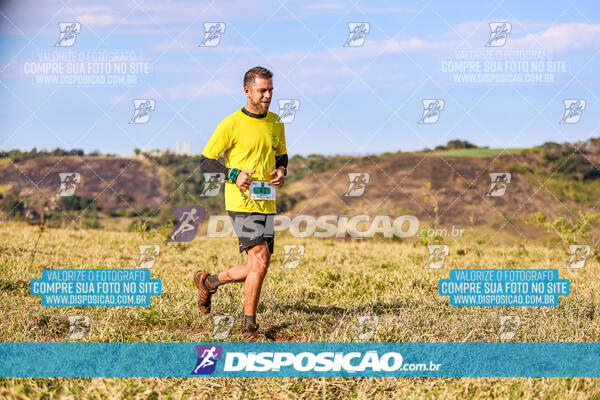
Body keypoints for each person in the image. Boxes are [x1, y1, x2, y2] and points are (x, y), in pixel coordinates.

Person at [195, 66, 288, 341]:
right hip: (240, 201)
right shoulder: (231, 123)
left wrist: (282, 171)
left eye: (270, 89)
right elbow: (206, 160)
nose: (268, 95)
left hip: (266, 202)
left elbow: (281, 156)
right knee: (260, 258)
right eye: (262, 90)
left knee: (257, 266)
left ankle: (209, 282)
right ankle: (249, 328)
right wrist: (234, 175)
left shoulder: (276, 122)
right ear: (247, 91)